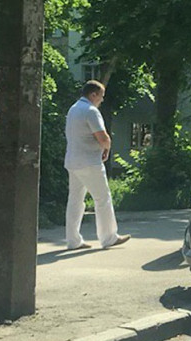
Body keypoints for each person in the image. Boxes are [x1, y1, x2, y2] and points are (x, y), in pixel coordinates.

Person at [64, 80, 130, 250]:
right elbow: (103, 137)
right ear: (93, 94)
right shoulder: (91, 111)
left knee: (75, 200)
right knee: (102, 198)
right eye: (101, 96)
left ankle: (73, 240)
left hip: (73, 160)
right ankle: (109, 237)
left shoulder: (73, 109)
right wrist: (107, 147)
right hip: (89, 162)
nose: (102, 100)